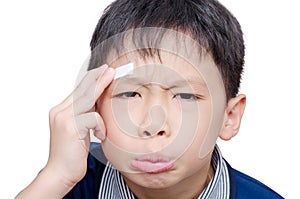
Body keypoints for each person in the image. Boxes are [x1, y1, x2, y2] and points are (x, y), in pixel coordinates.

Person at [16, 0, 284, 198]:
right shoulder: (65, 187)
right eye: (130, 93)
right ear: (94, 107)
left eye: (186, 95)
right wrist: (56, 175)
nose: (153, 123)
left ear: (229, 117)